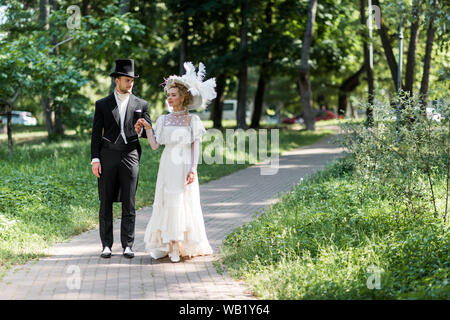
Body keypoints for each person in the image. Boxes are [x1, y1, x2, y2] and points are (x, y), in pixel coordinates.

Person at [135, 62, 216, 262]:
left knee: (183, 201)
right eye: (168, 95)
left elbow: (195, 146)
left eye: (173, 95)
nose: (169, 98)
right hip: (167, 164)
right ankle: (170, 245)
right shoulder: (163, 120)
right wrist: (146, 128)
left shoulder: (193, 121)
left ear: (184, 97)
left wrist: (193, 169)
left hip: (184, 164)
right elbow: (155, 145)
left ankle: (180, 244)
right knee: (168, 200)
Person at [91, 59, 151, 259]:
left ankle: (128, 245)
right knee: (105, 200)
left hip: (131, 154)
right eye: (127, 80)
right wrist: (95, 159)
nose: (130, 84)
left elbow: (148, 131)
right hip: (107, 154)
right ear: (117, 80)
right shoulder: (102, 104)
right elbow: (95, 135)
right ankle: (106, 245)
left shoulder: (141, 104)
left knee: (129, 200)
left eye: (132, 80)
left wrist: (142, 129)